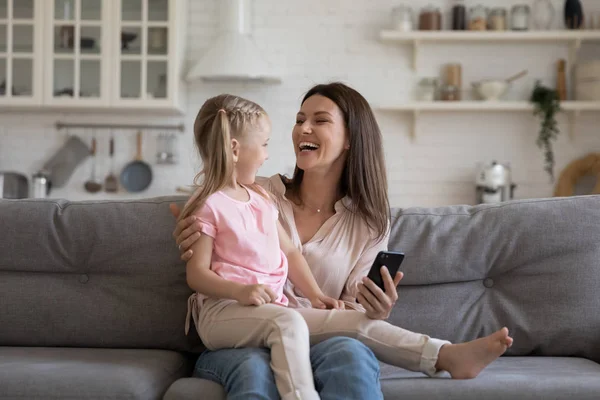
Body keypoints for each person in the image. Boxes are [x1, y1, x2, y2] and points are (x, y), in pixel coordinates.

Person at [171, 83, 513, 400]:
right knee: (254, 369)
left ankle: (445, 355)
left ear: (350, 138)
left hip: (311, 330)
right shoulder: (259, 190)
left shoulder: (368, 224)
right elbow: (210, 204)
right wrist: (184, 224)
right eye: (299, 119)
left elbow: (347, 306)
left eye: (320, 120)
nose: (303, 129)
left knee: (350, 353)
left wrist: (373, 308)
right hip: (239, 330)